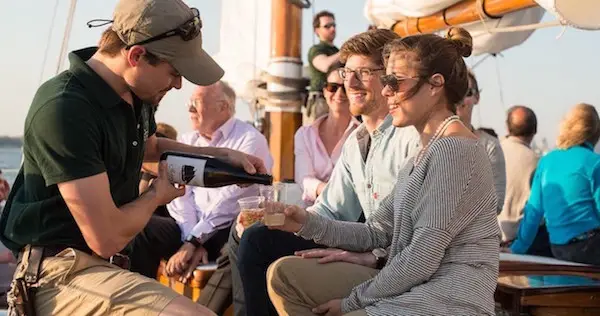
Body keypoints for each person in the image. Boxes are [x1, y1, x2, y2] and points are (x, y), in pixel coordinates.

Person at [0, 1, 267, 315]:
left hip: (104, 266)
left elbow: (149, 150)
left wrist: (220, 154)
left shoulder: (134, 93)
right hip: (59, 272)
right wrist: (157, 195)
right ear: (136, 56)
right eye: (174, 72)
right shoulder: (65, 109)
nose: (179, 84)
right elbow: (106, 238)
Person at [266, 27, 499, 316]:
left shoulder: (454, 151)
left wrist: (351, 303)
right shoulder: (424, 153)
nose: (386, 91)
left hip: (447, 298)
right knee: (284, 276)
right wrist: (304, 222)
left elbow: (422, 257)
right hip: (415, 286)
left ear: (435, 85)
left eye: (395, 82)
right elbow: (377, 231)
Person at [231, 29, 421, 316]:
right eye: (347, 73)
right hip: (366, 246)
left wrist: (372, 256)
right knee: (257, 237)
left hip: (397, 265)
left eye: (365, 72)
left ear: (389, 77)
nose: (351, 82)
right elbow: (330, 212)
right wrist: (287, 219)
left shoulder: (411, 138)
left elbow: (422, 231)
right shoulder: (356, 144)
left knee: (266, 254)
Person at [130, 81, 273, 281]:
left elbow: (228, 202)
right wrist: (189, 238)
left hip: (224, 229)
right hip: (188, 227)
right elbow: (181, 195)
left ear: (223, 107)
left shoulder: (250, 140)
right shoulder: (188, 140)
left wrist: (196, 241)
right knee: (141, 229)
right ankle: (143, 302)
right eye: (189, 102)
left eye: (196, 102)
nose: (189, 108)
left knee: (237, 239)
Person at [510, 103, 600, 265]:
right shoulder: (594, 163)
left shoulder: (547, 161)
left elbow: (533, 212)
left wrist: (517, 249)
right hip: (590, 248)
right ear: (595, 132)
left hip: (558, 248)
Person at [295, 62, 360, 206]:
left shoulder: (363, 135)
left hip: (350, 222)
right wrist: (334, 194)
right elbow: (304, 178)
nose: (339, 94)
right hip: (310, 218)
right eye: (333, 87)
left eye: (345, 88)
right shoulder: (304, 135)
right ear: (324, 91)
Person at [456, 70, 506, 213]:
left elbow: (496, 204)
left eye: (466, 92)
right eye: (454, 92)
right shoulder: (425, 141)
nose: (459, 99)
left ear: (476, 97)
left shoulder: (489, 146)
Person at [498, 106, 541, 247]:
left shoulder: (491, 152)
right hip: (522, 241)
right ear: (534, 130)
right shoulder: (537, 162)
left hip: (491, 239)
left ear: (507, 127)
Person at [306, 10, 341, 122]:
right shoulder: (316, 49)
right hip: (320, 101)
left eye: (334, 25)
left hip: (338, 98)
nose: (332, 29)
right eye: (327, 26)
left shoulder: (336, 51)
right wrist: (347, 50)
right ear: (317, 30)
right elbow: (324, 65)